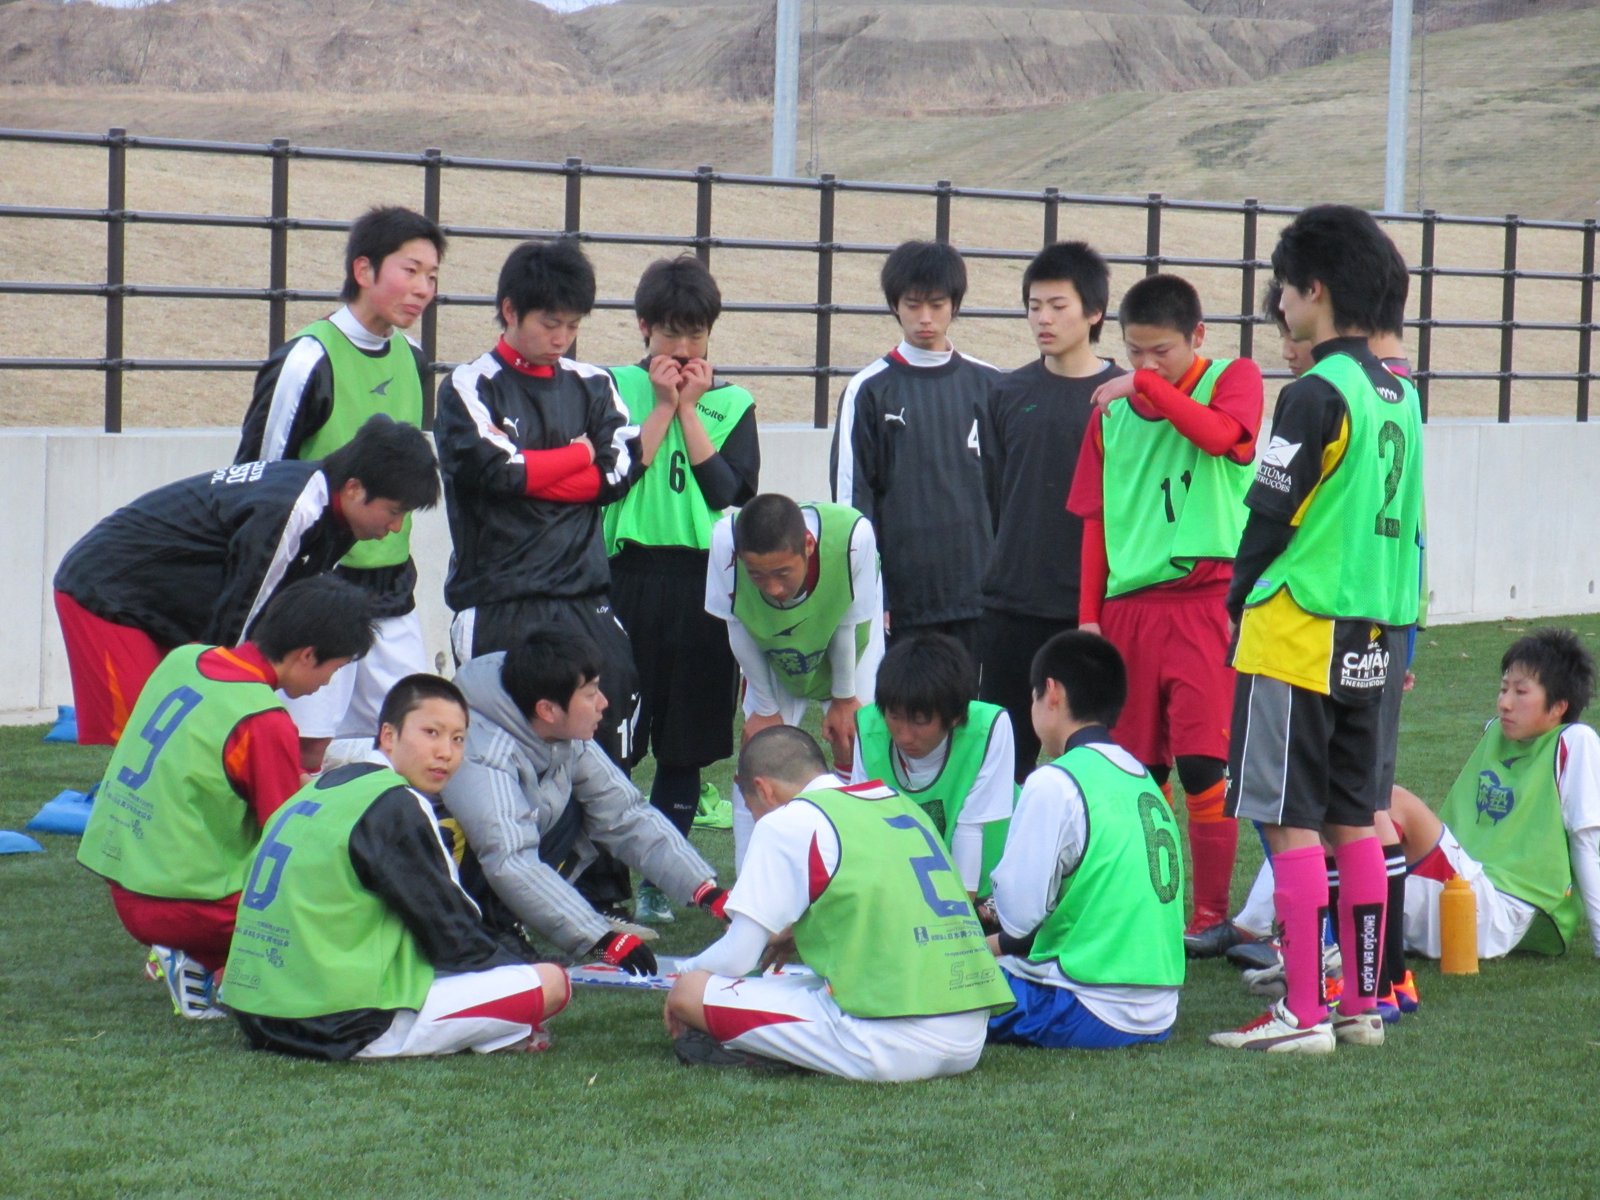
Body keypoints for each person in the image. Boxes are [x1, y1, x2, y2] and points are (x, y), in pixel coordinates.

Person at [1210, 205, 1424, 1054]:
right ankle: (1360, 1006)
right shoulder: (1400, 395)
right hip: (1375, 632)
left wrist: (1238, 598)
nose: (1280, 304)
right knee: (1353, 818)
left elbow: (1270, 513)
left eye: (1286, 289)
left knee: (1290, 821)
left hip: (1298, 632)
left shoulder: (1312, 393)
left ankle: (1302, 1012)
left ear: (1316, 291)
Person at [224, 674, 572, 1059]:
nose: (446, 752)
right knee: (550, 983)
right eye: (431, 733)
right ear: (388, 736)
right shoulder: (396, 803)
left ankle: (500, 1031)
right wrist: (519, 968)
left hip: (254, 1012)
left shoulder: (324, 789)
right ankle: (502, 1032)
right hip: (338, 1025)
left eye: (458, 739)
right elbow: (454, 939)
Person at [1067, 272, 1263, 955]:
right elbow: (1095, 519)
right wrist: (1089, 615)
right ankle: (1150, 909)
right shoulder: (1109, 413)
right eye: (1135, 351)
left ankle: (1210, 915)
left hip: (1209, 601)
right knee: (1135, 770)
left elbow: (1220, 437)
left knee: (1205, 763)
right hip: (1128, 610)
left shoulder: (1235, 378)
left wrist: (1145, 385)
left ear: (1198, 336)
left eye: (1162, 352)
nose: (1147, 364)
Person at [76, 576, 376, 1018]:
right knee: (344, 907)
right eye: (334, 669)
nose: (327, 683)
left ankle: (197, 954)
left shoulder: (185, 658)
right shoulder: (263, 720)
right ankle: (205, 958)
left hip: (123, 879)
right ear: (306, 655)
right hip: (185, 906)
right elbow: (288, 840)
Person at [53, 414, 438, 747]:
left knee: (180, 731)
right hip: (108, 591)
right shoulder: (293, 511)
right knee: (143, 739)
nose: (396, 527)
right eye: (394, 511)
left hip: (165, 603)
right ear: (354, 488)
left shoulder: (336, 516)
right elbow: (243, 619)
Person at [664, 725, 1014, 1081]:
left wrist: (683, 974)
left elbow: (737, 957)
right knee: (795, 986)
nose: (754, 818)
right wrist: (796, 933)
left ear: (763, 789)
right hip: (970, 1035)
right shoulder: (897, 802)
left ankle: (771, 1049)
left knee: (690, 992)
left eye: (750, 806)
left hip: (894, 1042)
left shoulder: (786, 821)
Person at [434, 237, 659, 768]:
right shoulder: (470, 386)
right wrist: (579, 454)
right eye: (550, 323)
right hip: (499, 602)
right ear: (511, 311)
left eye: (573, 326)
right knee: (496, 760)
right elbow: (496, 469)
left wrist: (532, 473)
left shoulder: (594, 385)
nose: (562, 338)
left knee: (608, 756)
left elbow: (617, 475)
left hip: (584, 600)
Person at [236, 205, 446, 774]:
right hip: (315, 582)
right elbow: (258, 480)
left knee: (420, 738)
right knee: (306, 750)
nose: (423, 289)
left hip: (393, 589)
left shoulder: (414, 361)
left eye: (432, 276)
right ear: (363, 270)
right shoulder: (307, 358)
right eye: (410, 271)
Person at [602, 256, 760, 921]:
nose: (686, 349)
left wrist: (689, 410)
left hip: (704, 588)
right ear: (644, 328)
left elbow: (727, 493)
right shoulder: (612, 388)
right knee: (611, 741)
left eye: (697, 334)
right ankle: (605, 882)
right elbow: (613, 480)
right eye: (672, 333)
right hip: (625, 580)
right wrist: (662, 407)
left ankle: (658, 883)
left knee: (684, 746)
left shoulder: (733, 403)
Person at [438, 629, 729, 973]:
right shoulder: (484, 752)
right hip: (443, 869)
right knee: (501, 842)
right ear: (547, 710)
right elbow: (509, 859)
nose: (604, 702)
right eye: (591, 694)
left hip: (496, 852)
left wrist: (704, 890)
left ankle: (501, 925)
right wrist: (600, 939)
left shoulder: (555, 726)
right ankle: (479, 932)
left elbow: (624, 813)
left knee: (581, 809)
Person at [986, 631, 1185, 1049]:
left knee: (940, 978)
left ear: (1052, 693)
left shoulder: (1054, 781)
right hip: (1159, 1010)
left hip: (1082, 1004)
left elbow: (1018, 917)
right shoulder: (1141, 776)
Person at [979, 241, 1120, 784]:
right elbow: (995, 492)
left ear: (1094, 312)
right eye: (1034, 306)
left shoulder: (1123, 397)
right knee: (1002, 764)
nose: (1043, 318)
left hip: (1090, 610)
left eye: (1058, 306)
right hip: (1012, 605)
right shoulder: (1006, 392)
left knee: (1089, 761)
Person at [1390, 629, 1600, 962]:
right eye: (1504, 689)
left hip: (1501, 910)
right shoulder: (1494, 732)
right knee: (1350, 815)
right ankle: (1309, 935)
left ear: (1559, 706)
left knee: (1391, 802)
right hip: (1455, 892)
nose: (1504, 702)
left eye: (1521, 691)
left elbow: (1585, 841)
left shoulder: (1574, 741)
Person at [830, 239, 996, 660]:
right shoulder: (867, 390)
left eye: (937, 305)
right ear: (894, 306)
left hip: (981, 597)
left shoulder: (992, 386)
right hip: (903, 602)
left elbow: (1010, 494)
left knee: (974, 702)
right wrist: (869, 592)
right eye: (913, 305)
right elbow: (852, 501)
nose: (925, 318)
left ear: (954, 305)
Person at [705, 492, 884, 869]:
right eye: (757, 575)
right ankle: (751, 878)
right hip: (770, 649)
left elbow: (847, 624)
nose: (771, 588)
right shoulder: (724, 540)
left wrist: (844, 698)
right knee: (758, 756)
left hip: (848, 642)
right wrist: (765, 709)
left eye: (782, 573)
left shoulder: (854, 537)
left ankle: (855, 871)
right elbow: (737, 624)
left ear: (809, 545)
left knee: (861, 746)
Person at [850, 632, 1015, 900]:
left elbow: (970, 830)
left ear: (955, 716)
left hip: (984, 881)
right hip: (907, 883)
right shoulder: (868, 727)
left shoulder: (988, 728)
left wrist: (959, 913)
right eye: (894, 717)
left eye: (920, 721)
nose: (904, 736)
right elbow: (865, 824)